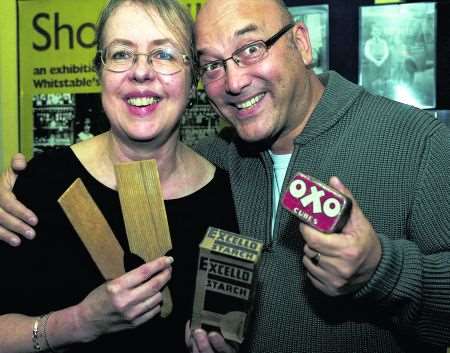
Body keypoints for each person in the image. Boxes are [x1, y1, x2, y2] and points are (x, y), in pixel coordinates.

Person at [1, 0, 450, 352]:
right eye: (214, 63)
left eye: (251, 49)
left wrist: (381, 270)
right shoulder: (220, 161)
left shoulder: (420, 142)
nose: (234, 81)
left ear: (302, 42)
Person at [0, 0, 238, 352]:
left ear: (193, 82)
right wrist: (76, 323)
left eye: (165, 54)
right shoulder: (40, 185)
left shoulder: (228, 196)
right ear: (99, 72)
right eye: (121, 54)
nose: (141, 71)